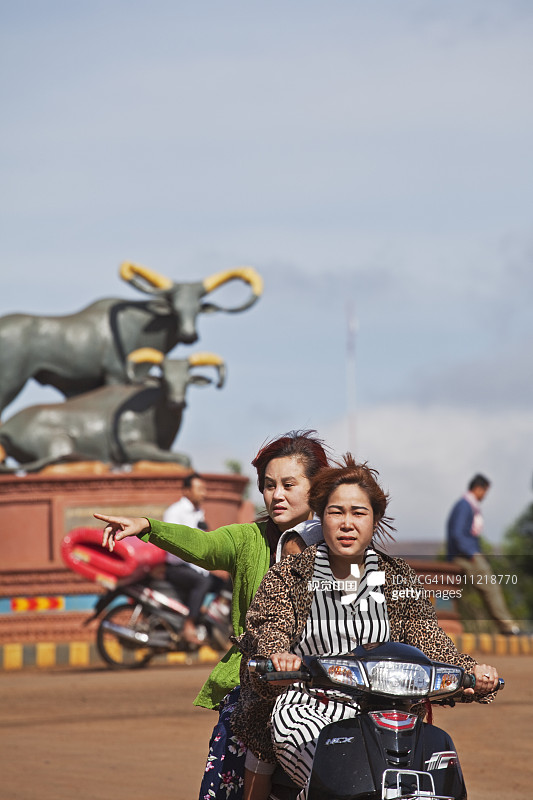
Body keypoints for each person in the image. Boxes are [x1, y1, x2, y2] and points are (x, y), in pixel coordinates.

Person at [232, 456, 500, 794]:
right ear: (321, 517)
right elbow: (269, 627)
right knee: (341, 774)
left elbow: (430, 641)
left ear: (374, 521)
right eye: (336, 512)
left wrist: (470, 671)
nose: (347, 523)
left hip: (391, 711)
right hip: (306, 703)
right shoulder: (290, 575)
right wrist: (277, 657)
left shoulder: (397, 577)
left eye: (358, 513)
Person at [95, 430, 328, 800]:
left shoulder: (340, 543)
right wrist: (148, 527)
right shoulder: (246, 539)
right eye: (269, 486)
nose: (277, 495)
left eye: (288, 484)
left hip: (327, 683)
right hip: (258, 681)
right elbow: (204, 545)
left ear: (317, 487)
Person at [446, 474, 520, 635]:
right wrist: (472, 553)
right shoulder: (465, 505)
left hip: (464, 555)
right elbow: (457, 533)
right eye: (485, 491)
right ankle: (508, 627)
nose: (485, 495)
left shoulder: (466, 505)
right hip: (465, 557)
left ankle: (506, 626)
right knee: (491, 588)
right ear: (478, 488)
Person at [163, 472, 212, 645]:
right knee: (202, 582)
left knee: (223, 583)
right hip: (178, 567)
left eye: (204, 489)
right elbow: (172, 546)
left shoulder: (199, 512)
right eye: (199, 489)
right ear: (186, 491)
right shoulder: (174, 512)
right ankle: (189, 625)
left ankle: (203, 612)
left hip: (196, 566)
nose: (204, 493)